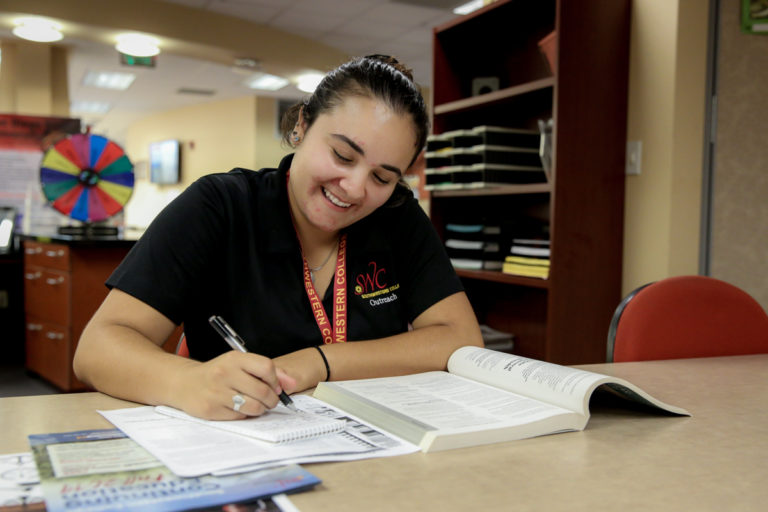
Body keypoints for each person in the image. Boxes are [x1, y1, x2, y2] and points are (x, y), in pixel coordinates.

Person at [73, 54, 483, 421]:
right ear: (302, 126)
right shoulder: (220, 206)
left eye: (381, 176)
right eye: (342, 156)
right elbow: (98, 349)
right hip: (240, 444)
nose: (356, 188)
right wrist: (188, 382)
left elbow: (460, 338)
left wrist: (319, 362)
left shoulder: (397, 215)